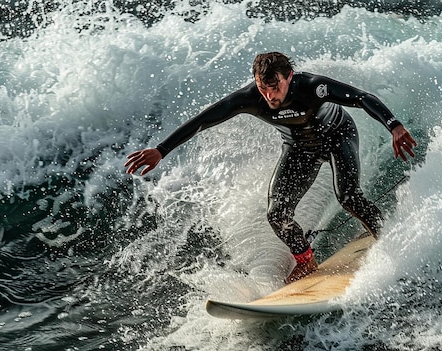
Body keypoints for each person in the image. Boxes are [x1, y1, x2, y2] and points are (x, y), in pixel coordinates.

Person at [125, 52, 416, 283]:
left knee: (349, 197)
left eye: (274, 86)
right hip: (300, 148)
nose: (269, 96)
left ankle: (389, 241)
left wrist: (395, 126)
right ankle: (306, 262)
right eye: (262, 88)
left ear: (289, 76)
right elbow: (205, 119)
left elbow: (363, 98)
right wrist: (161, 149)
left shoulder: (314, 86)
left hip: (337, 136)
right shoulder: (249, 97)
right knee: (277, 213)